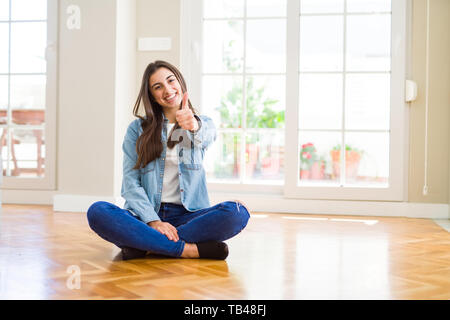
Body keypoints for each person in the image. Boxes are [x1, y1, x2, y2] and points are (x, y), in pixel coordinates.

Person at [87, 60, 250, 260]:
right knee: (98, 211)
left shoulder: (201, 124)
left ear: (180, 82)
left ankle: (143, 245)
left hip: (188, 217)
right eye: (158, 87)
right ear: (152, 96)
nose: (167, 89)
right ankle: (187, 250)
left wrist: (193, 125)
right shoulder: (136, 130)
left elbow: (208, 135)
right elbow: (130, 184)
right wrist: (153, 222)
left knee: (237, 212)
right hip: (144, 217)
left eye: (171, 80)